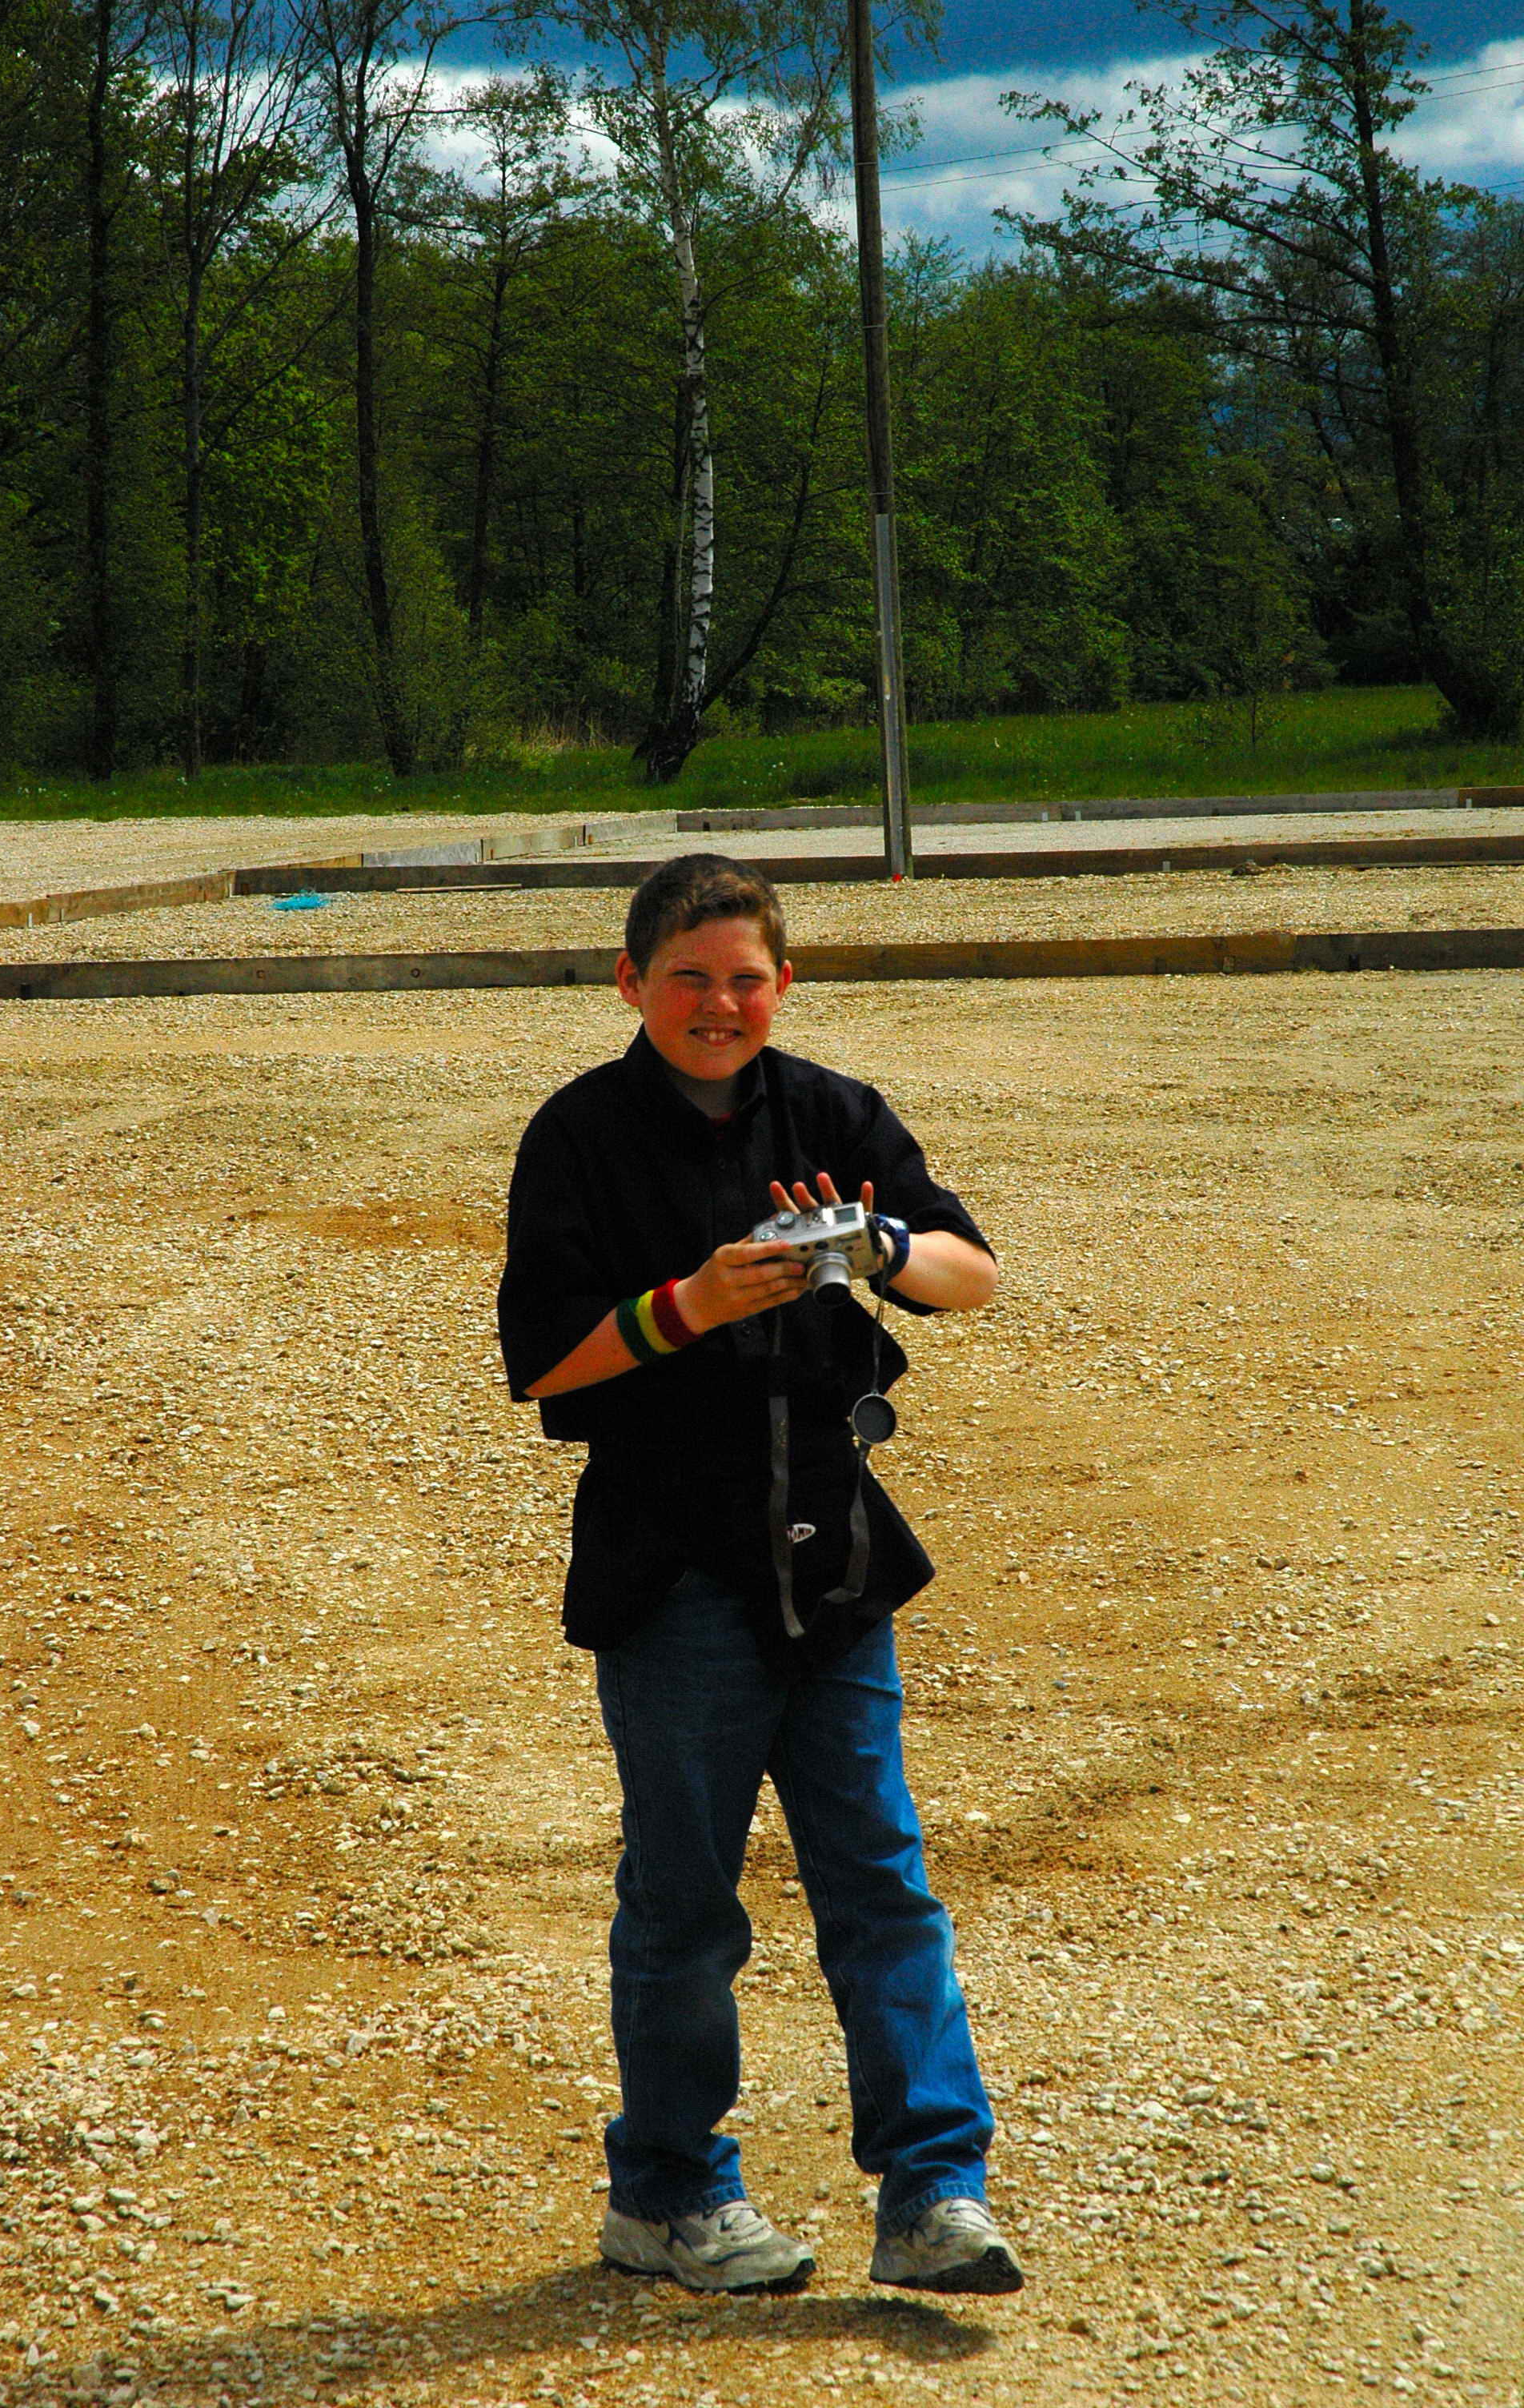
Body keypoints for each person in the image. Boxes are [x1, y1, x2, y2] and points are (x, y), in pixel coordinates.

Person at [496, 854, 1023, 2300]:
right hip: (674, 1577)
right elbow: (540, 1359)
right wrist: (687, 1305)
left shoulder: (834, 1116)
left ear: (784, 985)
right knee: (685, 1907)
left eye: (745, 979)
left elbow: (974, 1273)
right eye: (689, 978)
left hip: (834, 1562)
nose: (718, 1005)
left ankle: (934, 2192)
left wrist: (883, 1244)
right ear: (631, 984)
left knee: (883, 1884)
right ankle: (668, 2194)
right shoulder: (582, 1135)